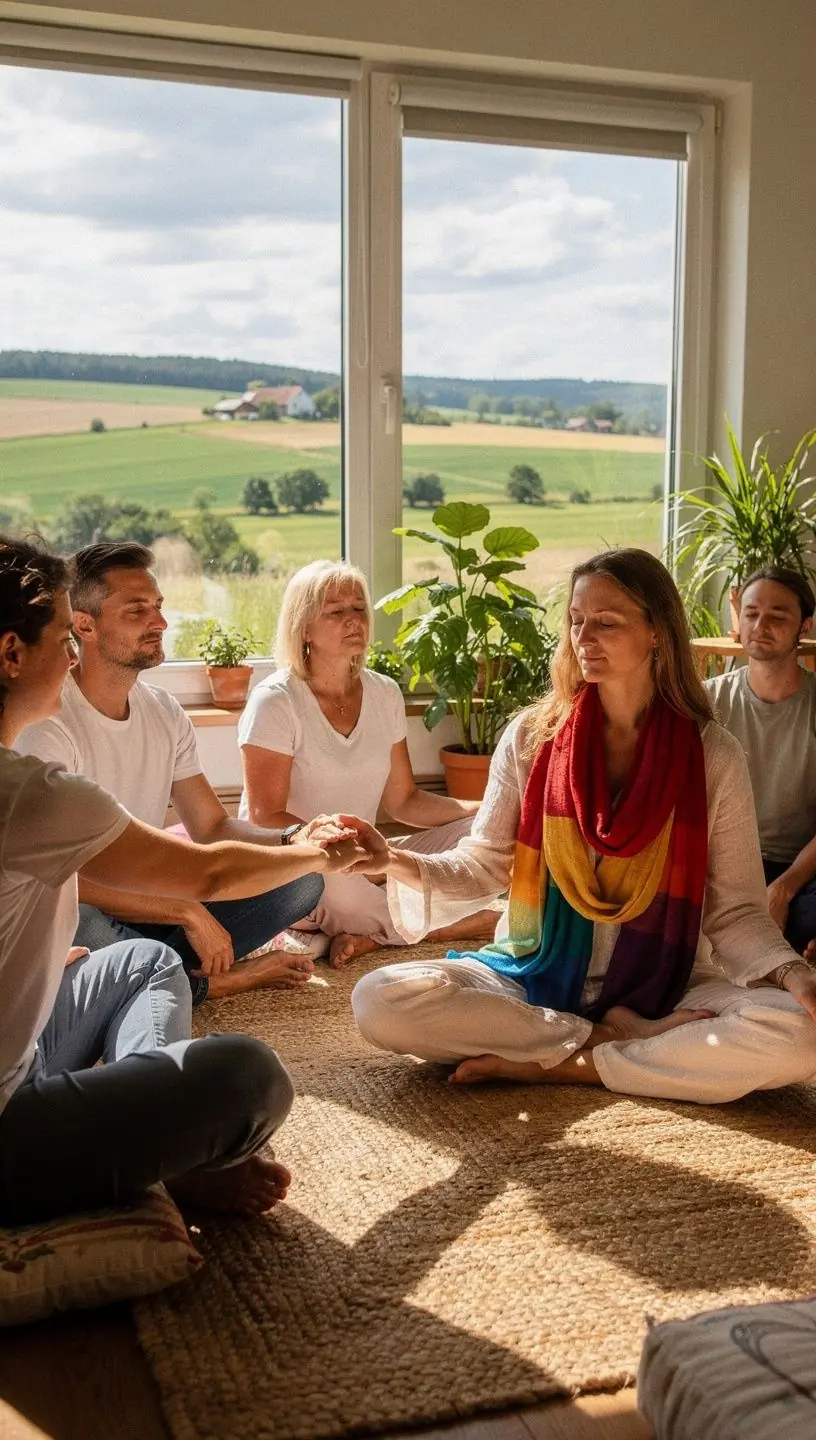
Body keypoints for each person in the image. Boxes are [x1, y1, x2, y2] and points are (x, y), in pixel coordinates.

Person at [349, 548, 816, 1105]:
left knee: (804, 1034)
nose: (583, 637)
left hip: (668, 983)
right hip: (534, 972)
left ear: (656, 633)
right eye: (576, 621)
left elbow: (735, 910)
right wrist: (390, 859)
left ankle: (575, 1066)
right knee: (381, 997)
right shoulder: (533, 737)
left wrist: (792, 975)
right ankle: (608, 1037)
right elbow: (484, 864)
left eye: (607, 622)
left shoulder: (712, 755)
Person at [0, 535, 370, 1225]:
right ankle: (170, 1159)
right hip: (7, 1123)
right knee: (249, 1075)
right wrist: (317, 853)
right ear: (12, 655)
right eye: (60, 639)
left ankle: (146, 1119)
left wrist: (46, 962)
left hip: (36, 1032)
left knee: (142, 961)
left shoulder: (143, 721)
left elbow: (212, 831)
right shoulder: (30, 785)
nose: (71, 658)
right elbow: (210, 867)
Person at [18, 542, 327, 1004]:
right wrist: (184, 911)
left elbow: (212, 826)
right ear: (84, 625)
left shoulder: (163, 710)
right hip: (91, 905)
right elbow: (61, 877)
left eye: (158, 606)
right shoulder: (49, 722)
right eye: (137, 610)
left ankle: (154, 974)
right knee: (73, 915)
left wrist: (297, 840)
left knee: (302, 877)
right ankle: (205, 980)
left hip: (151, 903)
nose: (160, 622)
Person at [239, 559, 497, 968]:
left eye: (359, 609)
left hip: (368, 855)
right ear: (304, 627)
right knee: (345, 886)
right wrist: (335, 848)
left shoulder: (384, 693)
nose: (353, 620)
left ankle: (371, 931)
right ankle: (470, 924)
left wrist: (483, 811)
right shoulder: (276, 700)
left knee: (483, 833)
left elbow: (405, 801)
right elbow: (263, 817)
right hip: (302, 867)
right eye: (336, 612)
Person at [706, 567, 816, 953]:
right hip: (720, 865)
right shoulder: (707, 702)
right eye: (751, 614)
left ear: (805, 625)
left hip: (799, 869)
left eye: (777, 616)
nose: (761, 625)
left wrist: (784, 889)